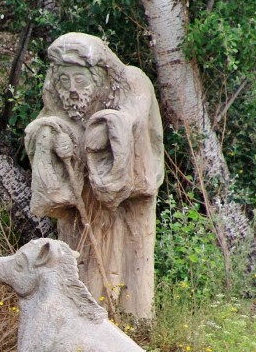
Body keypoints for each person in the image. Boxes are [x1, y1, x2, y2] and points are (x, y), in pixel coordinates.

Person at [25, 33, 164, 319]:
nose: (72, 90)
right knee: (82, 252)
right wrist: (55, 139)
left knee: (131, 255)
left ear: (99, 76)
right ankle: (86, 318)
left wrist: (107, 131)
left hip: (127, 198)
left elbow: (132, 117)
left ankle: (133, 322)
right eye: (64, 80)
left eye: (80, 79)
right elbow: (45, 124)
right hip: (83, 199)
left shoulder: (131, 82)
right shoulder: (58, 97)